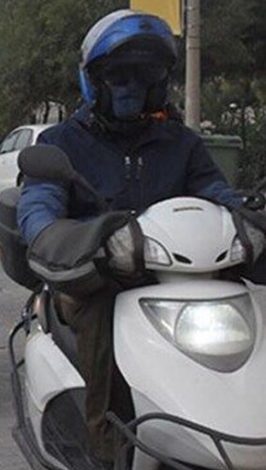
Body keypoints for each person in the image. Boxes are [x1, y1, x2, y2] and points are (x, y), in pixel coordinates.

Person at [16, 10, 243, 466]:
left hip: (176, 279)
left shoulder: (181, 143)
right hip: (95, 276)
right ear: (93, 80)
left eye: (145, 75)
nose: (132, 86)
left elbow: (215, 192)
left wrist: (244, 219)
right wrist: (55, 235)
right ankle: (106, 443)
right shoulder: (62, 143)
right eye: (119, 75)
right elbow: (39, 205)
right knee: (101, 308)